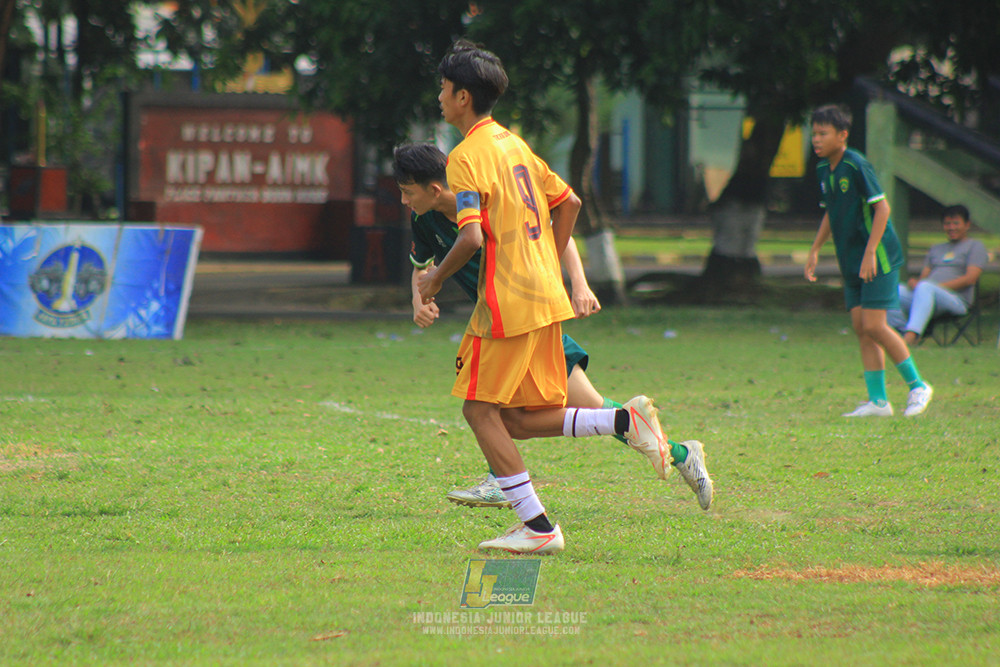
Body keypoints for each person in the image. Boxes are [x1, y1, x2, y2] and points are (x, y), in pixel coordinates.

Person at [417, 40, 712, 554]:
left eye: (443, 89)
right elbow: (569, 202)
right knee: (515, 420)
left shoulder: (465, 156)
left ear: (463, 96)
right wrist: (547, 265)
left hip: (507, 304)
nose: (439, 97)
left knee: (479, 412)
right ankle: (625, 422)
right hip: (543, 299)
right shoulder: (516, 145)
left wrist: (436, 280)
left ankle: (538, 528)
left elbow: (471, 237)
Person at [392, 142, 712, 513]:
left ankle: (506, 485)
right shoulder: (424, 218)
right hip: (507, 320)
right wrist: (419, 300)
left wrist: (580, 285)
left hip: (525, 318)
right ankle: (680, 453)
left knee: (489, 409)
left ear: (434, 189)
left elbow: (555, 231)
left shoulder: (489, 200)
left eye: (407, 192)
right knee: (581, 409)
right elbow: (422, 267)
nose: (403, 200)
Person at [804, 104, 933, 418]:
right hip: (851, 259)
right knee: (862, 328)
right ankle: (878, 402)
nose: (816, 139)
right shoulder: (823, 170)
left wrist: (871, 251)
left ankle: (918, 386)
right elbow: (831, 213)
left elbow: (882, 208)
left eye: (823, 133)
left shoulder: (856, 164)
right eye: (814, 133)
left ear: (842, 135)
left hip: (878, 257)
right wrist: (815, 248)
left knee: (875, 325)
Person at [887, 204, 988, 344]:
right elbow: (924, 278)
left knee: (926, 287)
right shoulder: (936, 248)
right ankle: (902, 332)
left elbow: (970, 279)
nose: (951, 227)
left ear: (967, 225)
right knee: (893, 291)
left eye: (956, 223)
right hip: (927, 295)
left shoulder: (975, 246)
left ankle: (912, 336)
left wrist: (934, 287)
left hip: (956, 300)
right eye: (947, 224)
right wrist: (915, 283)